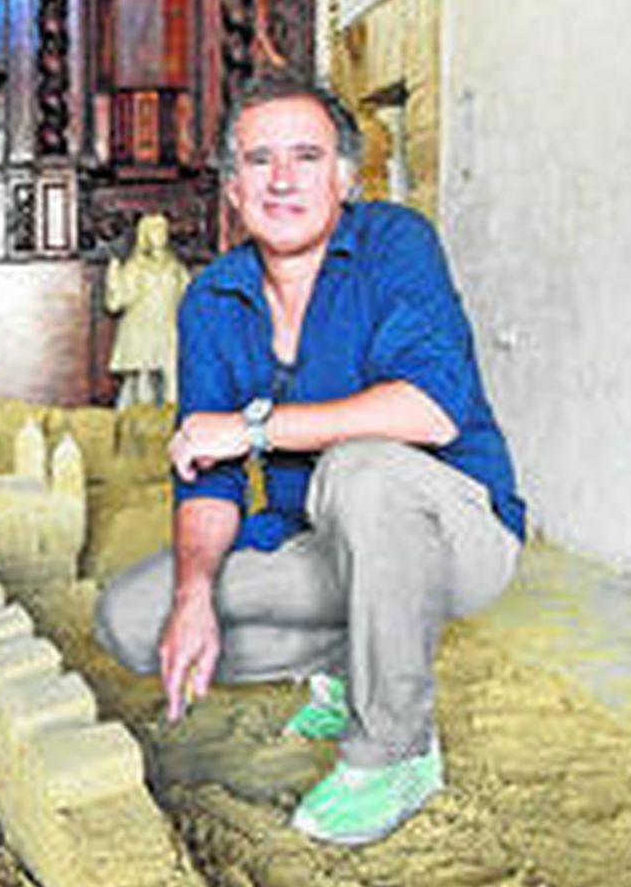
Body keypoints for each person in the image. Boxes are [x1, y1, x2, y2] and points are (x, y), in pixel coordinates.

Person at [95, 73, 525, 846]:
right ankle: (351, 655)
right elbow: (208, 471)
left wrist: (255, 427)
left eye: (307, 155)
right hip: (320, 541)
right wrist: (195, 592)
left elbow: (428, 409)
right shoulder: (213, 298)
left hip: (457, 535)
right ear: (232, 188)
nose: (283, 179)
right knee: (133, 619)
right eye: (259, 160)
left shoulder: (396, 243)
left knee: (359, 467)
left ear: (346, 175)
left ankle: (394, 747)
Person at [105, 212, 190, 409]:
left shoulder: (176, 267)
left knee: (171, 385)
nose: (160, 235)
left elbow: (187, 299)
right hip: (141, 332)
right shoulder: (135, 267)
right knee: (142, 389)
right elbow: (116, 302)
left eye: (163, 230)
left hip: (167, 331)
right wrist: (114, 272)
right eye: (154, 230)